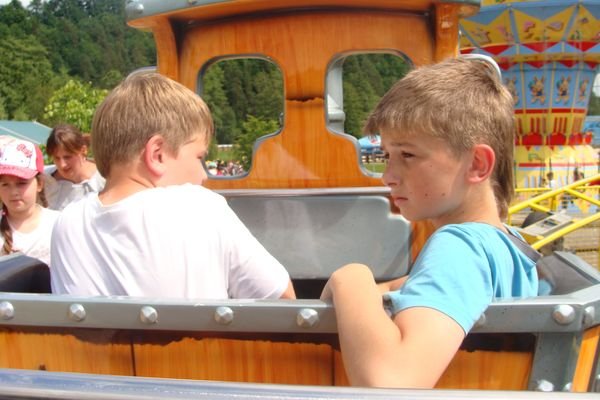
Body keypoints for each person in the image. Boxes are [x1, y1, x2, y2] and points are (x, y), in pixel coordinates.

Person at [320, 57, 538, 388]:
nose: (388, 177)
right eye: (387, 156)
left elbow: (393, 383)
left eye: (407, 155)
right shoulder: (507, 244)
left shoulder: (458, 248)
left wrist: (351, 278)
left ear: (477, 164)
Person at [50, 73, 295, 300]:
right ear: (157, 154)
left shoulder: (67, 223)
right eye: (199, 157)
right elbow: (283, 299)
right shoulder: (200, 207)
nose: (203, 175)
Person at [0, 137, 60, 266]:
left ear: (39, 184)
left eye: (21, 183)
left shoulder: (59, 224)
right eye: (5, 184)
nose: (13, 192)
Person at [44, 123, 105, 211]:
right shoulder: (44, 177)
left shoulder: (103, 182)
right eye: (57, 158)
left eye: (67, 157)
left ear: (83, 150)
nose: (62, 165)